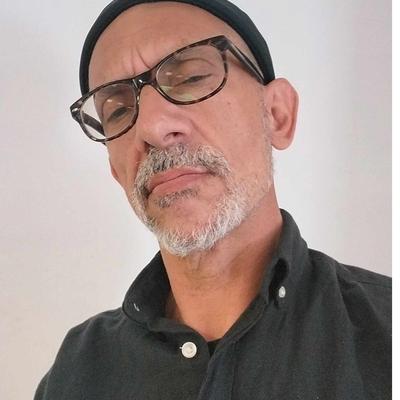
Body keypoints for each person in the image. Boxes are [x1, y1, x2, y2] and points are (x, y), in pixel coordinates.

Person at [34, 0, 391, 399]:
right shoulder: (78, 372)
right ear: (117, 172)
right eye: (117, 111)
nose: (151, 127)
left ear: (277, 115)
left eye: (190, 78)